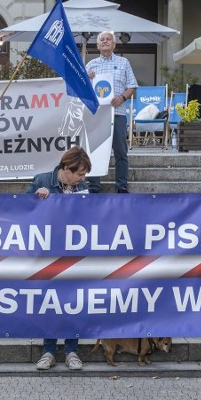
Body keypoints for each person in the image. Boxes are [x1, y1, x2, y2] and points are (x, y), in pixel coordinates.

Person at [27, 146, 92, 371]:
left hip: (74, 254)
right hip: (48, 254)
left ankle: (72, 350)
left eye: (84, 175)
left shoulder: (82, 187)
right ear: (66, 169)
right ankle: (49, 351)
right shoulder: (42, 180)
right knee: (50, 302)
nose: (83, 179)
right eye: (80, 174)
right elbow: (22, 211)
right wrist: (37, 200)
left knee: (73, 302)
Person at [85, 30, 137, 194]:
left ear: (114, 44)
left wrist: (122, 97)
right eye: (102, 40)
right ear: (97, 45)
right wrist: (87, 78)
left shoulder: (124, 62)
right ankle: (93, 186)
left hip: (118, 112)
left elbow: (132, 86)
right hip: (97, 114)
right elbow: (82, 88)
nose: (105, 42)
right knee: (95, 150)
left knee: (120, 150)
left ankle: (122, 186)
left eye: (109, 39)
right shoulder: (91, 64)